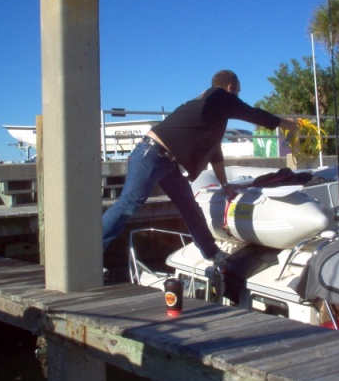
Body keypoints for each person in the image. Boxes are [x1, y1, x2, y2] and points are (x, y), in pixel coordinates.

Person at [101, 70, 298, 263]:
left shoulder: (212, 112)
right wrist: (287, 123)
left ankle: (212, 253)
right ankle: (92, 251)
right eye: (238, 92)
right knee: (129, 205)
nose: (238, 97)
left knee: (190, 208)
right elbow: (252, 114)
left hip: (168, 162)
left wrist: (224, 184)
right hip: (151, 154)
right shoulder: (220, 96)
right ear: (231, 88)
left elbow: (215, 153)